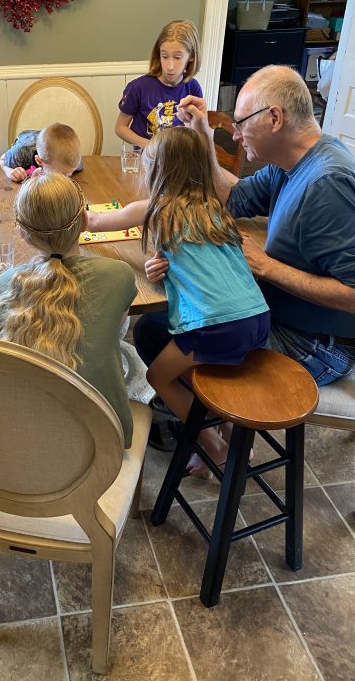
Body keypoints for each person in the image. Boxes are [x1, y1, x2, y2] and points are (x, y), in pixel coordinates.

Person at [150, 64, 355, 388]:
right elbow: (231, 199)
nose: (235, 135)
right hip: (271, 314)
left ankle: (212, 429)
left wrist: (266, 266)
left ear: (274, 118)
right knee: (159, 327)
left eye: (241, 124)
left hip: (317, 345)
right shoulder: (289, 163)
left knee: (158, 335)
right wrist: (204, 135)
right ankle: (202, 423)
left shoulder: (327, 183)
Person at [86, 127, 270, 470]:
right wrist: (170, 266)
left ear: (160, 171)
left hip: (215, 327)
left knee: (158, 376)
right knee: (196, 367)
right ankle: (234, 436)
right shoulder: (214, 209)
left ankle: (212, 447)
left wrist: (70, 210)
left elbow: (95, 221)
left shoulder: (158, 209)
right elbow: (209, 263)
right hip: (258, 319)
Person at [0, 172, 137, 447]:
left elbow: (1, 359)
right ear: (83, 222)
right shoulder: (120, 275)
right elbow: (114, 330)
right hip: (104, 440)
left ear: (22, 233)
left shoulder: (4, 285)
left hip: (27, 441)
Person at [115, 20, 203, 149]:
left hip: (180, 159)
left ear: (191, 56)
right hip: (147, 161)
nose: (170, 67)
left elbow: (198, 131)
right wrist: (151, 146)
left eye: (177, 57)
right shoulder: (137, 88)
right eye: (165, 56)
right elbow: (120, 127)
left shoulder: (193, 87)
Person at [0, 122, 83, 182]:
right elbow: (2, 159)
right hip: (26, 139)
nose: (68, 178)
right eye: (63, 174)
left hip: (45, 140)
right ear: (39, 161)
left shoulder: (74, 162)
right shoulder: (22, 153)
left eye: (70, 174)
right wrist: (9, 171)